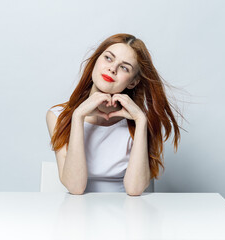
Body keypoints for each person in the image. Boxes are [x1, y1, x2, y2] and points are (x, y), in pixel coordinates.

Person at [46, 33, 181, 196]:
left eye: (124, 67)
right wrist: (78, 116)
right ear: (95, 61)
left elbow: (135, 190)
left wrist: (141, 121)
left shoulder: (139, 120)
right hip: (78, 215)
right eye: (108, 58)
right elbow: (75, 187)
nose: (112, 69)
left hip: (128, 215)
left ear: (133, 82)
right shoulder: (57, 116)